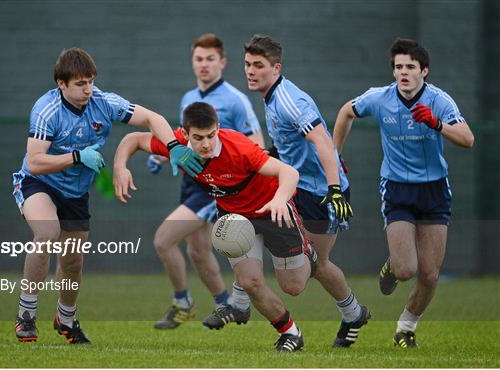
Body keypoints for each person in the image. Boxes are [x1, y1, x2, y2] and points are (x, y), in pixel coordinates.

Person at [12, 47, 202, 344]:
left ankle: (66, 319)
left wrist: (174, 146)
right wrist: (76, 157)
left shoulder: (103, 102)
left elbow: (151, 118)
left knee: (72, 260)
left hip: (75, 192)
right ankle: (26, 313)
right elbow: (35, 161)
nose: (88, 89)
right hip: (39, 182)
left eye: (90, 81)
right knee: (47, 231)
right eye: (80, 83)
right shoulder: (46, 110)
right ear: (61, 84)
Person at [114, 101, 316, 351]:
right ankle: (291, 333)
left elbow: (289, 173)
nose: (207, 144)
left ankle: (310, 254)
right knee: (250, 281)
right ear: (185, 134)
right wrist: (119, 168)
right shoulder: (177, 145)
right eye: (198, 138)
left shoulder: (239, 147)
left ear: (218, 128)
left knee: (293, 286)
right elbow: (132, 139)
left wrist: (278, 200)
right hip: (236, 218)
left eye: (211, 135)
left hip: (271, 210)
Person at [332, 38, 474, 348]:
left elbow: (467, 138)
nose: (404, 72)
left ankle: (405, 328)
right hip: (396, 189)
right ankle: (393, 266)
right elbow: (346, 112)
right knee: (406, 269)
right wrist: (335, 157)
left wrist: (437, 124)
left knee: (430, 275)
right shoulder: (380, 98)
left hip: (434, 191)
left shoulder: (439, 101)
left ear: (425, 70)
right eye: (399, 67)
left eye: (411, 67)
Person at [243, 34, 370, 348]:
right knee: (303, 268)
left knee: (315, 267)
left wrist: (335, 189)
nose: (251, 71)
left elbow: (323, 143)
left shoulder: (289, 99)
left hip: (321, 194)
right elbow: (288, 144)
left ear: (276, 68)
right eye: (247, 64)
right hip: (298, 187)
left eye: (258, 65)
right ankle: (352, 312)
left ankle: (353, 313)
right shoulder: (270, 95)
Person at [145, 34, 264, 330]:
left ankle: (183, 303)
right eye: (199, 59)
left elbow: (257, 147)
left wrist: (234, 187)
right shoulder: (189, 98)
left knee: (163, 240)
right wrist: (162, 156)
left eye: (210, 59)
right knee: (197, 251)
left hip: (215, 188)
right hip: (192, 184)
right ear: (192, 62)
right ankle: (226, 304)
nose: (204, 65)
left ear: (222, 63)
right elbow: (186, 142)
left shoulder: (235, 100)